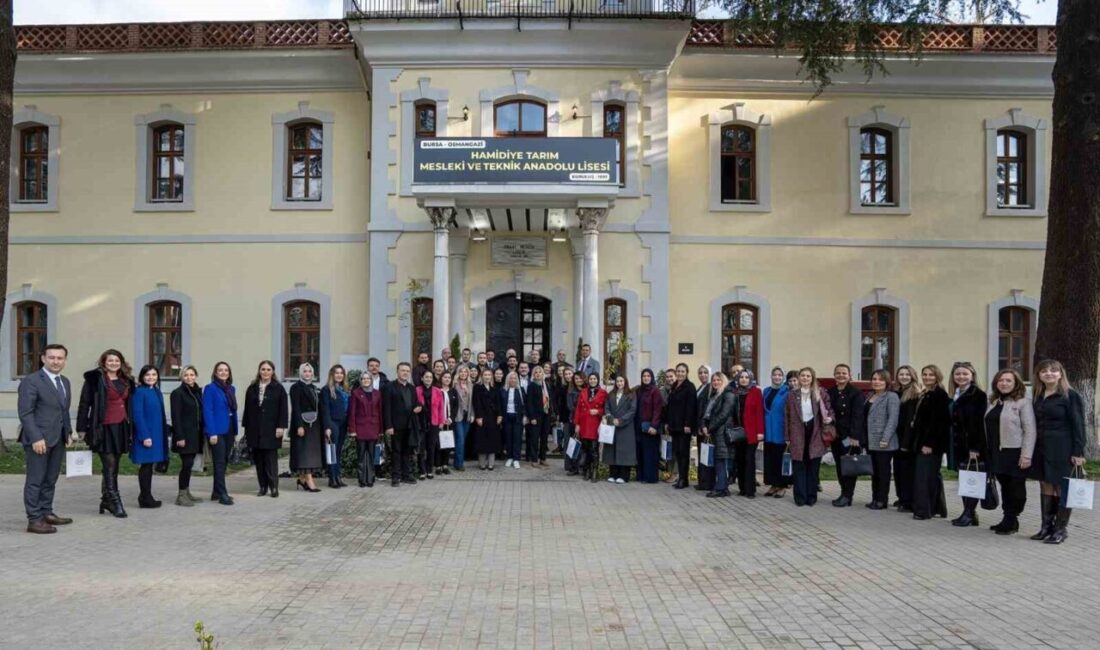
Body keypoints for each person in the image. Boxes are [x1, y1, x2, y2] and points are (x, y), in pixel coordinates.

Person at [18, 343, 74, 534]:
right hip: (38, 440)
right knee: (36, 480)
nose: (56, 361)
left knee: (50, 478)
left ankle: (46, 512)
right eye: (52, 357)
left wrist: (68, 432)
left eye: (60, 358)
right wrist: (36, 437)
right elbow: (26, 412)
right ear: (43, 358)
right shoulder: (31, 381)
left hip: (57, 438)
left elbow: (63, 410)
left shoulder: (64, 381)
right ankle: (34, 519)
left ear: (65, 360)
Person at [1030, 359, 1087, 544]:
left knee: (1062, 487)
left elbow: (1079, 426)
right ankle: (1046, 527)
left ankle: (1060, 529)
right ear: (1038, 375)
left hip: (1063, 448)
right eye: (1044, 371)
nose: (1048, 373)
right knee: (1046, 484)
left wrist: (1078, 453)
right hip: (1042, 447)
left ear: (1060, 374)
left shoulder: (1070, 396)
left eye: (1053, 371)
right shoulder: (1038, 395)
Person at [77, 349, 135, 519]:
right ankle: (115, 501)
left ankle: (106, 499)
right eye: (110, 360)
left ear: (121, 362)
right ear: (104, 362)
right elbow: (84, 403)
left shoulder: (126, 380)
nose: (114, 363)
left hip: (121, 426)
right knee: (110, 466)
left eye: (117, 360)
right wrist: (81, 428)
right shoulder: (94, 379)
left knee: (114, 465)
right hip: (102, 427)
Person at [984, 368, 1036, 535]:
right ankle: (1007, 518)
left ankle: (1013, 518)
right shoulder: (993, 401)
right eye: (1001, 380)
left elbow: (1030, 430)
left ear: (1016, 383)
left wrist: (1026, 455)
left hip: (1015, 451)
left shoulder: (1022, 402)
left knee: (1016, 487)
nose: (1004, 383)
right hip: (996, 451)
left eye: (1008, 380)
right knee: (1005, 486)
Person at [784, 367, 833, 507]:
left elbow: (829, 410)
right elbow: (786, 416)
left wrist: (829, 419)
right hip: (797, 432)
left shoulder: (820, 392)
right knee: (799, 465)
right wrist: (787, 436)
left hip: (815, 431)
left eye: (808, 376)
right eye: (803, 376)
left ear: (812, 378)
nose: (805, 378)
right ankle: (800, 497)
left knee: (813, 466)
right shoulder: (792, 395)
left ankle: (811, 496)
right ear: (799, 378)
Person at [242, 360, 288, 498]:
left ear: (272, 371)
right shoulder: (252, 388)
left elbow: (283, 409)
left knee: (270, 460)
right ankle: (263, 486)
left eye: (268, 369)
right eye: (263, 369)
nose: (266, 372)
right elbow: (247, 409)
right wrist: (246, 429)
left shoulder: (278, 388)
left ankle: (274, 486)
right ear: (259, 371)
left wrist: (281, 426)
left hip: (272, 429)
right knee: (259, 460)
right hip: (254, 429)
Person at [950, 361, 987, 527]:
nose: (961, 377)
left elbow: (978, 423)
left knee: (972, 478)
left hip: (971, 446)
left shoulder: (978, 395)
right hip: (959, 444)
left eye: (965, 374)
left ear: (972, 376)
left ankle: (969, 513)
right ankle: (969, 512)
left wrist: (975, 448)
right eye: (957, 374)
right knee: (964, 478)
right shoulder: (957, 393)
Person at [910, 365, 951, 520]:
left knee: (924, 477)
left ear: (937, 377)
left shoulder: (939, 395)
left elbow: (938, 423)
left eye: (931, 375)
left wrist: (929, 444)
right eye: (925, 374)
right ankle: (938, 508)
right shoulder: (926, 393)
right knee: (933, 476)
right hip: (923, 441)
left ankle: (923, 511)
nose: (927, 377)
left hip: (930, 444)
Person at [130, 366, 169, 509]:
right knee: (146, 466)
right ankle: (145, 497)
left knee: (150, 465)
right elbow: (137, 415)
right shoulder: (139, 392)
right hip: (146, 436)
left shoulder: (156, 391)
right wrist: (144, 436)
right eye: (147, 375)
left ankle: (145, 496)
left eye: (153, 374)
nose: (151, 377)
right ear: (142, 376)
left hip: (157, 434)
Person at [828, 364, 866, 508]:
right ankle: (843, 493)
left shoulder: (856, 393)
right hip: (836, 436)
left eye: (844, 373)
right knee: (839, 466)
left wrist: (855, 437)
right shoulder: (831, 392)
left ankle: (847, 495)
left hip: (850, 437)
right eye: (838, 373)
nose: (841, 375)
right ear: (834, 375)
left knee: (849, 466)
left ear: (849, 375)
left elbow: (858, 416)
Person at [202, 361, 238, 505]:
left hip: (229, 428)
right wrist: (212, 432)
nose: (223, 372)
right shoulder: (210, 389)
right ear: (215, 373)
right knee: (219, 461)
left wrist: (235, 430)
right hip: (216, 429)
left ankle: (216, 492)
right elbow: (208, 411)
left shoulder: (231, 389)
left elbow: (233, 410)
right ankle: (223, 493)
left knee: (225, 459)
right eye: (220, 370)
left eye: (226, 370)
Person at [864, 369, 900, 510]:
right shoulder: (869, 396)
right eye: (874, 379)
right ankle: (875, 498)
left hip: (884, 441)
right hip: (870, 440)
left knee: (883, 472)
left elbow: (893, 419)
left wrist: (886, 438)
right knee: (874, 472)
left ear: (887, 382)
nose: (876, 382)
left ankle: (882, 500)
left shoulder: (891, 397)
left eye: (880, 379)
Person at [170, 365, 205, 506]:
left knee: (190, 465)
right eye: (186, 375)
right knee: (187, 464)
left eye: (192, 374)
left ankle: (187, 491)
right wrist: (179, 436)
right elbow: (176, 416)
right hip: (185, 436)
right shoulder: (177, 393)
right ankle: (181, 495)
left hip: (196, 435)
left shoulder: (197, 392)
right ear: (181, 377)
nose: (189, 377)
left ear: (195, 376)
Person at [289, 363, 324, 492]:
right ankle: (309, 481)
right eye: (305, 371)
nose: (307, 374)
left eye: (309, 371)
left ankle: (302, 480)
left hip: (314, 425)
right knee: (304, 453)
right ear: (300, 373)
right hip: (302, 424)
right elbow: (296, 408)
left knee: (310, 453)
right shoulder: (296, 387)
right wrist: (299, 425)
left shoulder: (314, 388)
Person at [730, 370, 765, 498]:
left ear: (750, 379)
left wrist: (760, 432)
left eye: (746, 377)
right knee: (739, 460)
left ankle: (750, 490)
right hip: (738, 432)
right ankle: (742, 488)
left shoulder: (756, 392)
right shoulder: (735, 392)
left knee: (749, 460)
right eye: (741, 377)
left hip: (752, 432)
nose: (744, 379)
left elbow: (759, 413)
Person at [893, 365, 922, 512]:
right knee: (898, 470)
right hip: (897, 438)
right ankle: (901, 497)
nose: (904, 377)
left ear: (912, 377)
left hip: (907, 440)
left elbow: (911, 421)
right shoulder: (897, 392)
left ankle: (908, 501)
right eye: (901, 374)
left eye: (907, 375)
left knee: (907, 472)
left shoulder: (914, 394)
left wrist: (906, 442)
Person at [701, 372, 735, 498]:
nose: (715, 382)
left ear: (723, 381)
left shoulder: (728, 394)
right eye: (714, 380)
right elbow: (706, 413)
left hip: (722, 432)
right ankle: (722, 487)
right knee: (717, 460)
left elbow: (723, 415)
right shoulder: (713, 396)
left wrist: (709, 428)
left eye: (718, 380)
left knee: (721, 461)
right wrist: (703, 425)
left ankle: (721, 488)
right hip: (714, 431)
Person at [384, 362, 419, 485]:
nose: (405, 373)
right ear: (397, 372)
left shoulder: (412, 388)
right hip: (395, 425)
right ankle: (396, 476)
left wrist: (418, 407)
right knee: (396, 451)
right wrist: (388, 426)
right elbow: (386, 407)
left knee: (407, 451)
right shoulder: (390, 386)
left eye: (407, 371)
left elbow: (415, 403)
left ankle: (406, 475)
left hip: (409, 425)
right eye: (402, 370)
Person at [348, 368, 383, 487]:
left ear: (371, 380)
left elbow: (380, 412)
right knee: (361, 455)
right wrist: (352, 430)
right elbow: (352, 412)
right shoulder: (356, 393)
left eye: (368, 378)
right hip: (360, 428)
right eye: (364, 379)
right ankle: (362, 479)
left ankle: (370, 479)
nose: (366, 380)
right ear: (360, 380)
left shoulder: (377, 393)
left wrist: (381, 430)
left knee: (372, 455)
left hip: (374, 428)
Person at [665, 363, 698, 490]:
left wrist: (688, 424)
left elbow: (691, 407)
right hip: (674, 425)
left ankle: (684, 480)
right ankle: (680, 477)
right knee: (678, 452)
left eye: (682, 371)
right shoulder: (674, 386)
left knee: (684, 453)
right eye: (678, 371)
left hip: (684, 426)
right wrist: (667, 422)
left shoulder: (690, 387)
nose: (680, 373)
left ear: (687, 372)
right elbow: (670, 406)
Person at [762, 367, 791, 499]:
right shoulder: (766, 391)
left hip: (780, 430)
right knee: (769, 459)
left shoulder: (787, 392)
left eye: (780, 375)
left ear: (783, 377)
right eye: (775, 375)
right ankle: (773, 484)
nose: (777, 377)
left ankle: (782, 486)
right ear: (771, 376)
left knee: (780, 459)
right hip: (769, 431)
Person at [602, 374, 637, 483]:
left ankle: (624, 476)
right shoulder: (611, 394)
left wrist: (620, 420)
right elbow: (606, 407)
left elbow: (632, 410)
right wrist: (611, 418)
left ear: (625, 382)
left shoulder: (631, 394)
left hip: (625, 427)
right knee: (611, 450)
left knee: (624, 451)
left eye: (621, 381)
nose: (619, 383)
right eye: (617, 381)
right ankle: (613, 474)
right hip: (612, 426)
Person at [320, 364, 350, 488]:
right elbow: (325, 409)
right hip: (332, 423)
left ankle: (338, 477)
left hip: (343, 423)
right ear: (332, 375)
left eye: (341, 373)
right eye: (336, 373)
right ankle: (332, 479)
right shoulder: (326, 390)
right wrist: (327, 427)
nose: (339, 375)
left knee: (338, 452)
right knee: (332, 451)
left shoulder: (345, 390)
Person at [574, 372, 607, 482]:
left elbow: (606, 409)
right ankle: (586, 470)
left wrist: (598, 411)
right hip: (584, 423)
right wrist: (577, 424)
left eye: (594, 379)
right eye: (591, 379)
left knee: (594, 449)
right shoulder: (583, 392)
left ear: (597, 380)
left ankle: (594, 471)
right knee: (586, 449)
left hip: (595, 424)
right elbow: (578, 408)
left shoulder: (603, 393)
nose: (593, 380)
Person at [635, 369, 662, 484]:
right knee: (640, 452)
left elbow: (658, 409)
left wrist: (654, 425)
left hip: (650, 427)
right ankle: (641, 475)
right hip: (639, 426)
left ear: (652, 378)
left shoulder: (655, 391)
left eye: (648, 376)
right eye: (644, 376)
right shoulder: (639, 390)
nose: (646, 378)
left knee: (650, 453)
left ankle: (650, 477)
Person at [414, 370, 441, 479]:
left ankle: (430, 469)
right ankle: (422, 470)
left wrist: (441, 422)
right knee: (421, 447)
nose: (428, 379)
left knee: (431, 447)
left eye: (430, 377)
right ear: (422, 378)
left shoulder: (438, 391)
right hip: (420, 423)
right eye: (426, 377)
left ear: (432, 379)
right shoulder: (416, 390)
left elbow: (440, 408)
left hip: (434, 422)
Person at [472, 369, 501, 470]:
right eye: (485, 375)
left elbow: (498, 403)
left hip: (493, 417)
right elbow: (476, 403)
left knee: (492, 439)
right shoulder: (477, 387)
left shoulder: (495, 388)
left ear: (491, 377)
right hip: (482, 417)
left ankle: (491, 463)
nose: (487, 377)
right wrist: (478, 417)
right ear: (482, 376)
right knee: (482, 440)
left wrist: (499, 415)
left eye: (489, 375)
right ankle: (482, 463)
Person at [693, 365, 715, 492]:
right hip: (699, 426)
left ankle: (707, 482)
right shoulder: (701, 387)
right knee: (702, 454)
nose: (703, 375)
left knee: (707, 454)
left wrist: (703, 425)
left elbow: (706, 409)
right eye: (700, 372)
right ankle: (702, 481)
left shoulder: (710, 388)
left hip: (705, 426)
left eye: (705, 372)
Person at [525, 366, 551, 466]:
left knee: (544, 438)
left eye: (540, 372)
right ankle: (534, 459)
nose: (538, 374)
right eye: (536, 372)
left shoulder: (546, 385)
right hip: (536, 416)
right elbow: (529, 403)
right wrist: (532, 417)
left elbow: (550, 399)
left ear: (543, 374)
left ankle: (543, 458)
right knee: (535, 438)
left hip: (546, 414)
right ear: (533, 374)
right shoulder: (531, 385)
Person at [500, 371, 526, 468]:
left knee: (517, 438)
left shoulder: (521, 390)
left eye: (515, 378)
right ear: (507, 379)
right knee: (508, 438)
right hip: (507, 417)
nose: (513, 380)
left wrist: (525, 416)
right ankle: (509, 457)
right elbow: (500, 404)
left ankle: (516, 459)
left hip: (517, 417)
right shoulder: (503, 390)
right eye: (511, 378)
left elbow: (525, 404)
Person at [452, 366, 473, 472]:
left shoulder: (470, 385)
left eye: (465, 371)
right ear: (458, 373)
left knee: (461, 440)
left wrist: (472, 414)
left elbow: (472, 402)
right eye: (461, 371)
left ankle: (457, 461)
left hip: (467, 416)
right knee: (460, 440)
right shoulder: (454, 385)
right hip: (458, 416)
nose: (463, 373)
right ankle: (459, 464)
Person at [564, 370, 585, 476]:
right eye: (576, 378)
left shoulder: (587, 390)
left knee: (585, 446)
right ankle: (573, 467)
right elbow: (570, 407)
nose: (578, 380)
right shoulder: (571, 391)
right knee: (574, 445)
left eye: (580, 378)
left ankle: (583, 467)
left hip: (587, 422)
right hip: (574, 421)